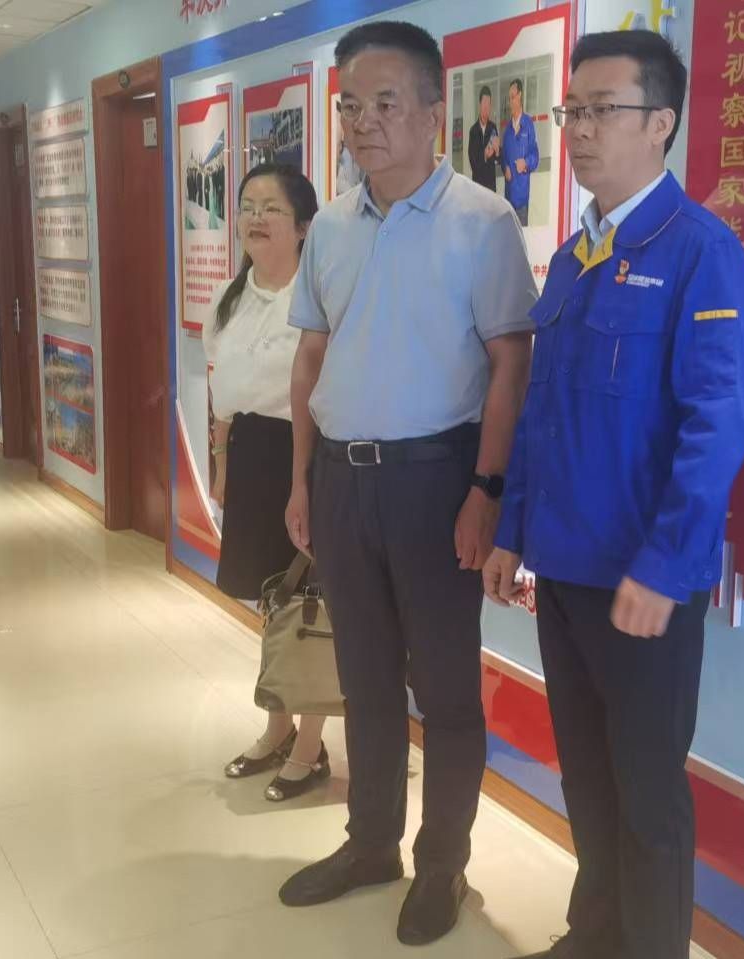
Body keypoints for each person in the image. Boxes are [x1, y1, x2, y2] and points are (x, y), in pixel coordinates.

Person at [483, 31, 744, 959]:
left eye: (604, 110)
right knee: (589, 781)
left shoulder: (699, 251)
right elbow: (542, 412)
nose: (580, 130)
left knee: (647, 797)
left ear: (661, 123)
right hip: (563, 572)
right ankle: (595, 933)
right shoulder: (575, 254)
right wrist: (512, 531)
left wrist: (666, 566)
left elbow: (717, 423)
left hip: (641, 581)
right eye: (573, 111)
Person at [279, 20, 536, 948]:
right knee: (365, 678)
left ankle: (442, 864)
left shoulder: (482, 220)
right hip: (341, 481)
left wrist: (487, 488)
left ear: (434, 110)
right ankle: (371, 843)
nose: (364, 122)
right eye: (351, 105)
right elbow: (311, 358)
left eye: (386, 103)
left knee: (447, 690)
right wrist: (301, 481)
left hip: (436, 483)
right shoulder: (331, 227)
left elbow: (511, 365)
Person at [207, 163, 333, 803]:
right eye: (247, 206)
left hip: (304, 459)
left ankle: (311, 747)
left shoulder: (319, 300)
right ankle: (278, 726)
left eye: (271, 208)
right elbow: (221, 397)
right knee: (269, 602)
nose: (255, 218)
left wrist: (305, 481)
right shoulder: (229, 299)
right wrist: (221, 464)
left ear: (304, 226)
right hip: (251, 456)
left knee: (310, 602)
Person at [500, 78, 539, 225]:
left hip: (522, 199)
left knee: (523, 236)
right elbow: (503, 156)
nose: (510, 102)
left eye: (513, 97)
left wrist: (525, 162)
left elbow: (535, 156)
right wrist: (505, 167)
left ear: (520, 95)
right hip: (508, 200)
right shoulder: (507, 130)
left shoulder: (528, 124)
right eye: (509, 98)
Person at [465, 86, 501, 192]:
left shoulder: (493, 128)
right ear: (480, 104)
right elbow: (473, 163)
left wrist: (497, 152)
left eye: (488, 104)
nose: (486, 107)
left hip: (491, 186)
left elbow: (498, 160)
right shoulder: (473, 131)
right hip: (478, 187)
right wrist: (484, 155)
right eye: (484, 103)